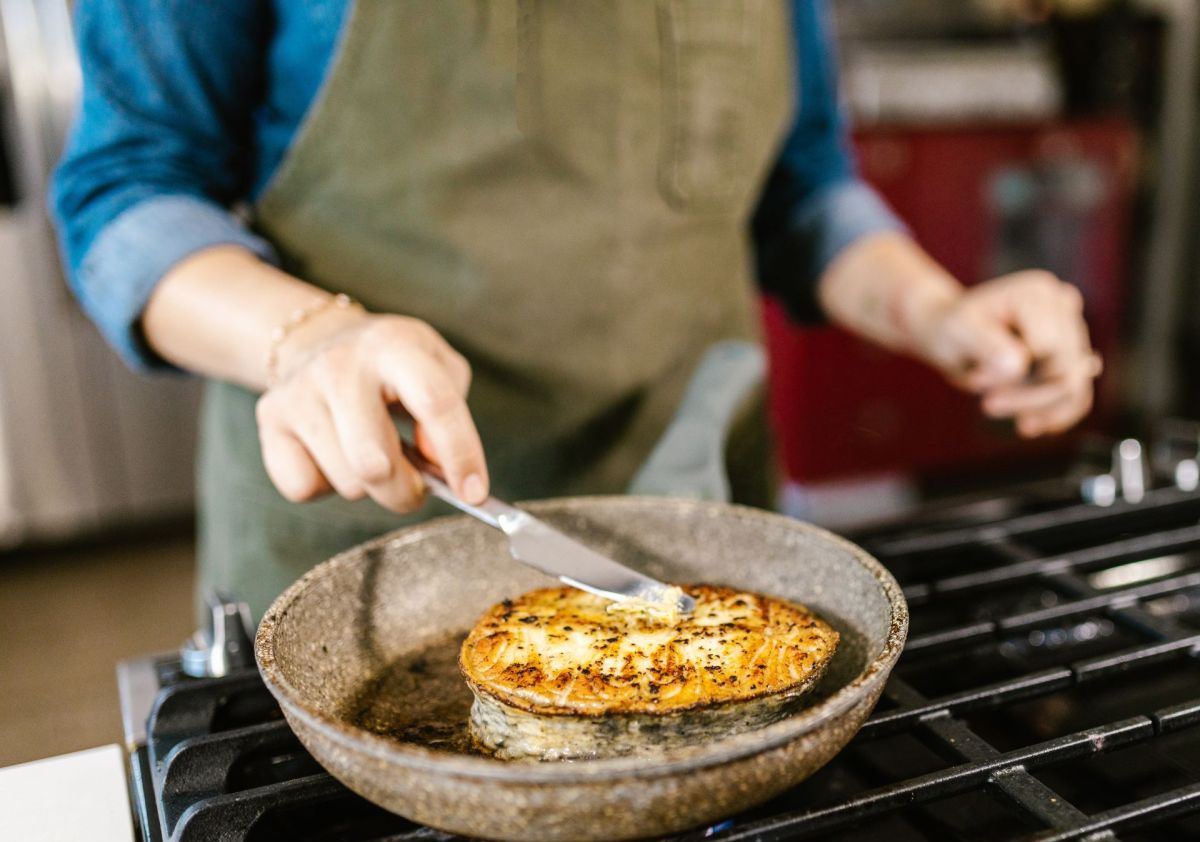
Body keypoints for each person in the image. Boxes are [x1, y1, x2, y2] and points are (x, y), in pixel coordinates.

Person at [52, 0, 1101, 622]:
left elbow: (803, 183)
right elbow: (127, 188)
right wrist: (311, 337)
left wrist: (938, 313)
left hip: (701, 523)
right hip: (368, 544)